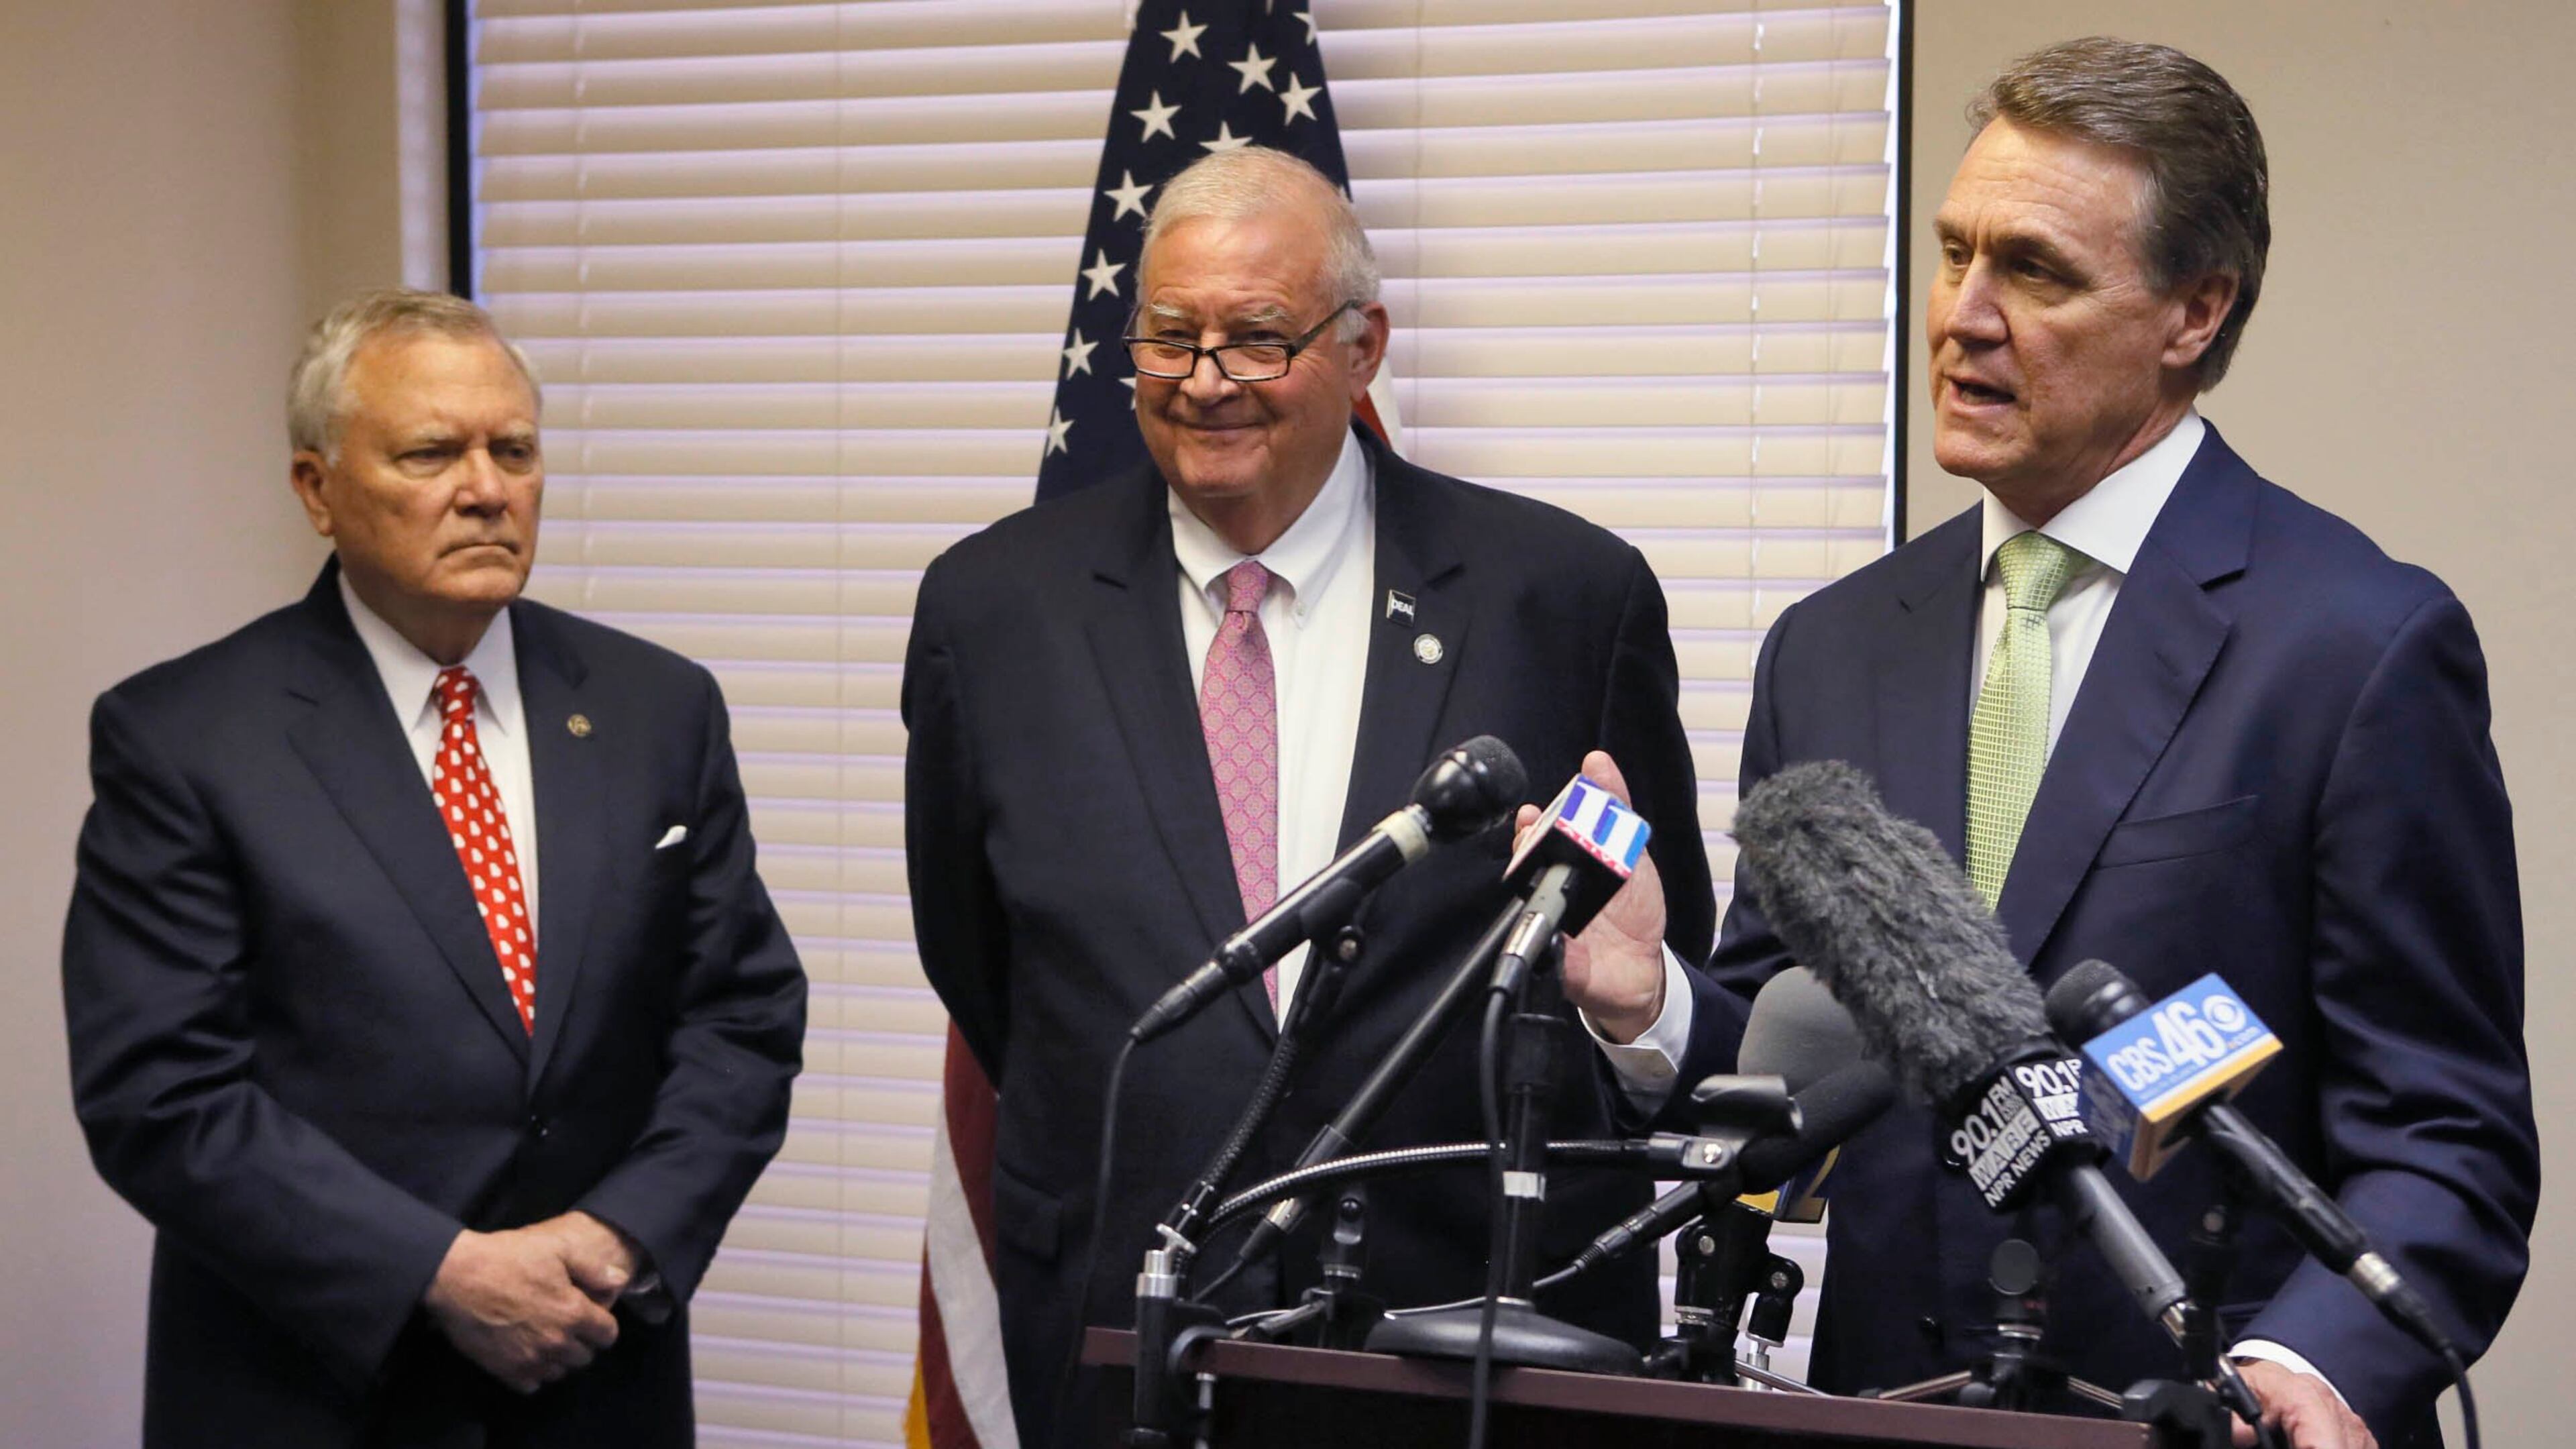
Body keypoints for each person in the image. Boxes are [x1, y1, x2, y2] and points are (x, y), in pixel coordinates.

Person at [1570, 38, 2537, 1449]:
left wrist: (2313, 1370)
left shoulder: (2355, 647)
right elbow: (1803, 1058)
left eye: (2034, 270)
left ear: (2193, 312)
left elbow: (2444, 1140)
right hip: (1881, 1412)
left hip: (2191, 1416)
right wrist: (1647, 1005)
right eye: (1955, 251)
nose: (1962, 313)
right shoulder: (1832, 645)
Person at [902, 146, 1734, 1436]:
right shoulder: (990, 610)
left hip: (1478, 1344)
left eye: (1257, 340)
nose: (1205, 382)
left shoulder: (1564, 597)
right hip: (1135, 1333)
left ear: (1364, 348)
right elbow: (985, 968)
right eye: (1170, 339)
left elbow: (1659, 969)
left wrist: (1641, 1018)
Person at [62, 287, 808, 1448]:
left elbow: (743, 1017)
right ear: (316, 490)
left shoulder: (656, 708)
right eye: (431, 452)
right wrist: (442, 1271)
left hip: (596, 1370)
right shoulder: (187, 737)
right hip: (314, 1390)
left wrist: (617, 1239)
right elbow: (162, 1096)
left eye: (514, 449)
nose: (486, 488)